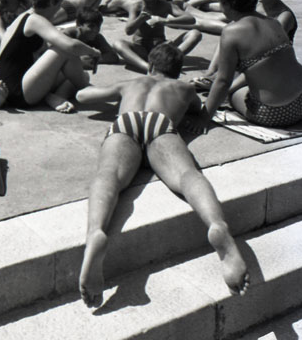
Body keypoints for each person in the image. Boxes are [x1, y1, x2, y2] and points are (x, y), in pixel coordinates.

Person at [76, 42, 249, 307]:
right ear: (177, 71)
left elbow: (83, 96)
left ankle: (96, 233)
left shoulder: (131, 83)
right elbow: (197, 109)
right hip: (160, 124)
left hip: (126, 121)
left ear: (151, 66)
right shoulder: (184, 88)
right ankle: (217, 225)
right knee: (187, 175)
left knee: (109, 175)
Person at [192, 0, 302, 131]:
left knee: (233, 95)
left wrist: (203, 118)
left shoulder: (231, 32)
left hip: (277, 112)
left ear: (226, 4)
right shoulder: (274, 22)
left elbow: (223, 82)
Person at [0, 0, 101, 113]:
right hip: (18, 92)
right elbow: (71, 46)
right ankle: (89, 91)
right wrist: (93, 52)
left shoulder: (27, 16)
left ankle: (54, 97)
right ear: (52, 2)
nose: (59, 9)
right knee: (63, 48)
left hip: (20, 85)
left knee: (81, 74)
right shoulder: (34, 20)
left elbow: (42, 56)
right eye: (59, 4)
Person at [113, 0, 202, 73]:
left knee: (195, 33)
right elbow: (128, 31)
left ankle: (171, 61)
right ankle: (149, 68)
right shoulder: (136, 7)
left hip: (160, 49)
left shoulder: (165, 5)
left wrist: (166, 20)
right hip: (141, 49)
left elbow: (190, 18)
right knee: (117, 44)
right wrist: (140, 19)